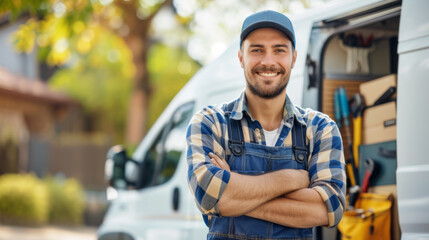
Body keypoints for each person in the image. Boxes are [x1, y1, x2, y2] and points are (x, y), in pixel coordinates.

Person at [186, 10, 346, 240]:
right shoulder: (211, 122)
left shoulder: (319, 128)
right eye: (256, 50)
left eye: (279, 50)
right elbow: (208, 197)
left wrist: (234, 196)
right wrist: (291, 180)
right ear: (241, 57)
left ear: (293, 58)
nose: (268, 61)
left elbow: (329, 209)